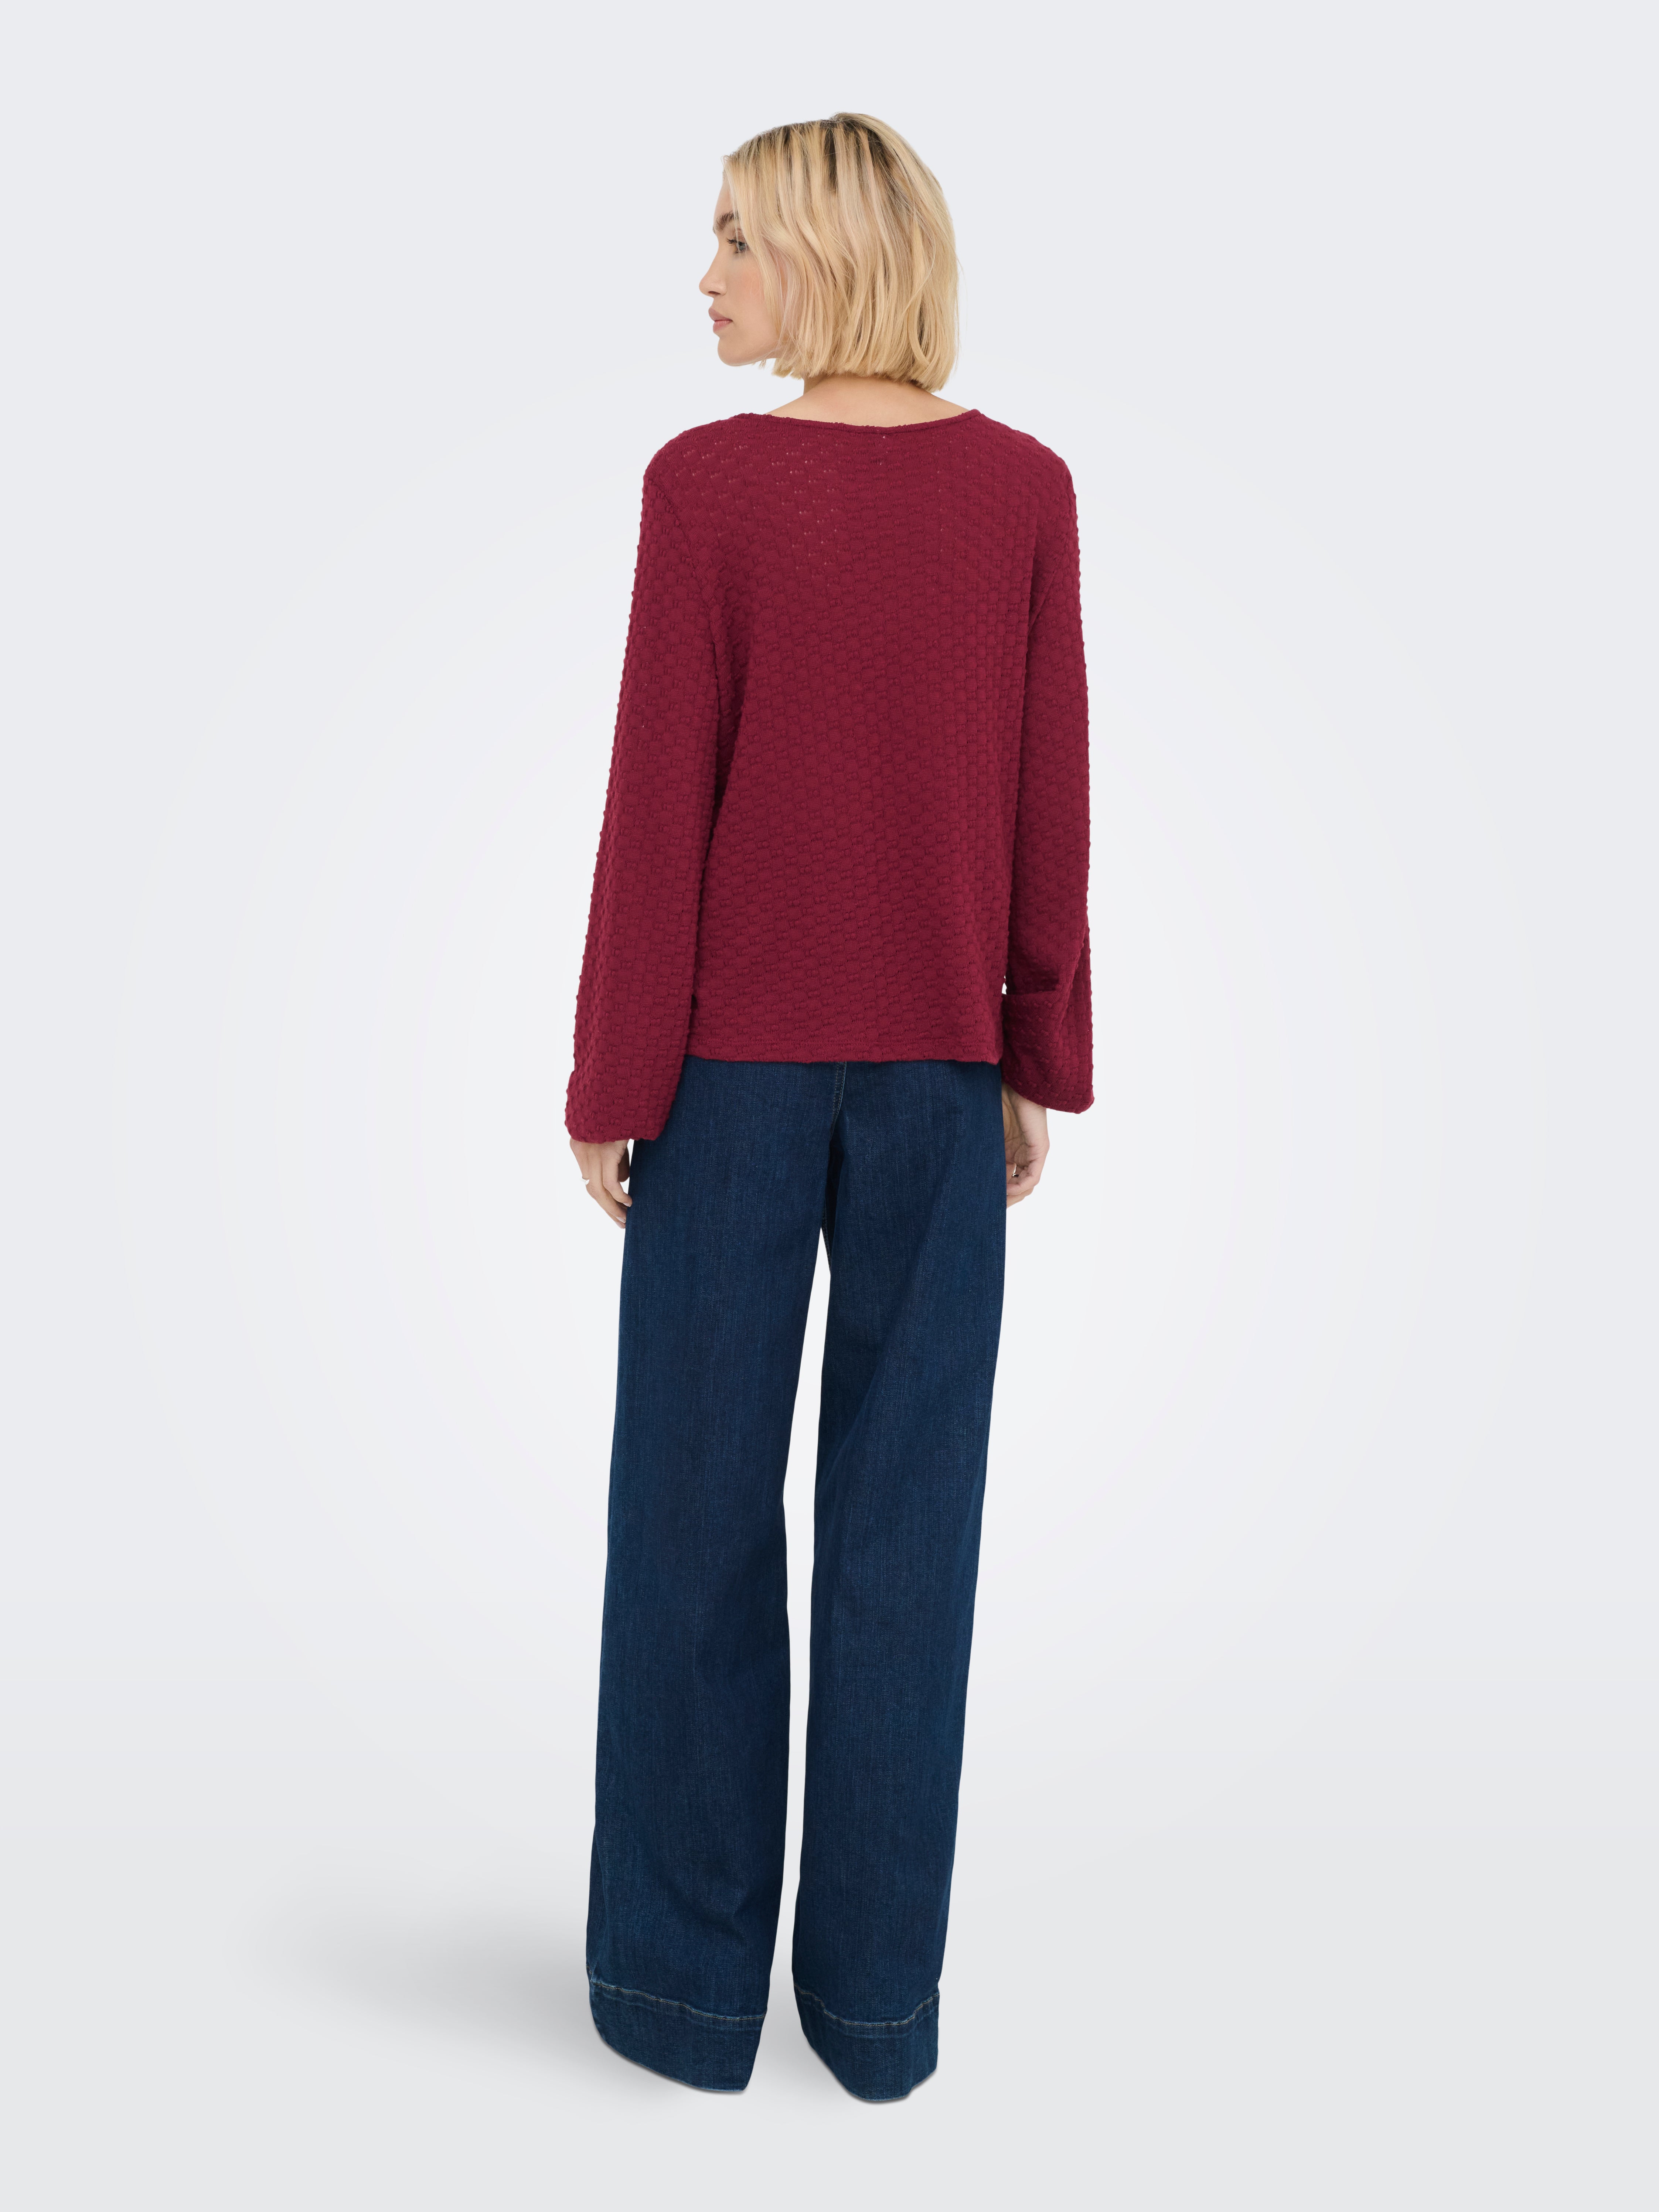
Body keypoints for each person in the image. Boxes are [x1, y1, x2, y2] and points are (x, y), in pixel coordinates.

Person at [565, 112, 1092, 2102]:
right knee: (905, 1531)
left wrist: (616, 1078)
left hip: (733, 1079)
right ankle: (873, 2012)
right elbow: (1050, 802)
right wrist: (1031, 1050)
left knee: (692, 1516)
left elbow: (659, 809)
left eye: (738, 239)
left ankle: (685, 1995)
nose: (707, 277)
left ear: (829, 255)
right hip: (938, 1085)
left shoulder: (710, 489)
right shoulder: (1021, 490)